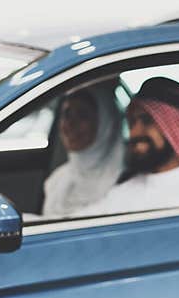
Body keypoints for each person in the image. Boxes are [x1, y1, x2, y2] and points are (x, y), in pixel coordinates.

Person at [72, 77, 179, 216]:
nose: (135, 132)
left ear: (175, 129)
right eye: (132, 123)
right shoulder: (129, 187)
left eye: (147, 121)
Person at [41, 83, 125, 217]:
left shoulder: (123, 184)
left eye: (83, 115)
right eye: (67, 114)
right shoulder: (57, 180)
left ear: (105, 123)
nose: (70, 124)